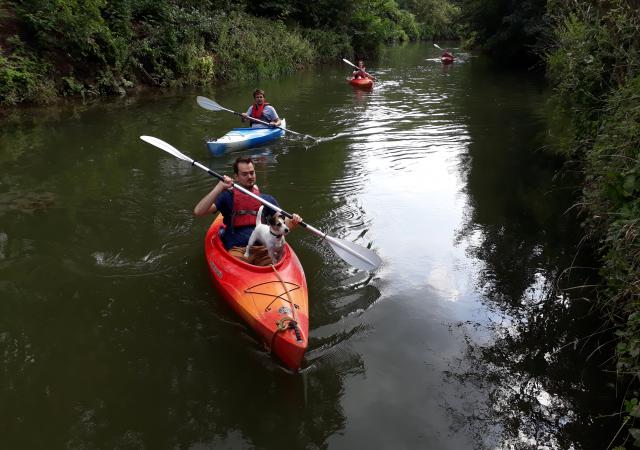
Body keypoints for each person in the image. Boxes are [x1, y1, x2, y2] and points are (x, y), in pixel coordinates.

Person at [193, 156, 302, 265]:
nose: (250, 176)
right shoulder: (227, 197)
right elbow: (199, 211)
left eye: (252, 172)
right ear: (236, 177)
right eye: (244, 174)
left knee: (272, 267)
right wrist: (219, 187)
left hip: (264, 249)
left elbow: (283, 224)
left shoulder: (267, 199)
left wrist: (293, 220)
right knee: (236, 266)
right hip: (238, 250)